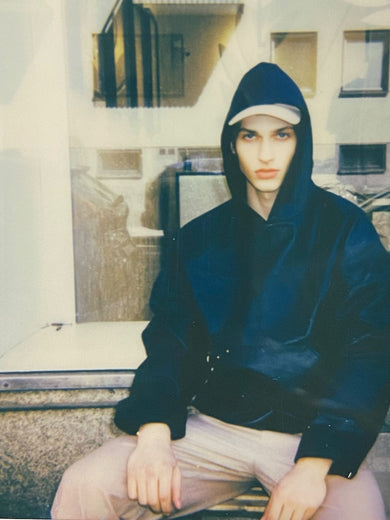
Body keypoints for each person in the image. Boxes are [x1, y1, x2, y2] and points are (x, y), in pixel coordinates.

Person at [51, 62, 390, 520]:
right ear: (232, 146)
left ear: (301, 141)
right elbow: (172, 338)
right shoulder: (199, 238)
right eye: (250, 136)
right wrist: (153, 434)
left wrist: (314, 463)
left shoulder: (346, 229)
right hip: (211, 431)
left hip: (312, 438)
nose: (265, 152)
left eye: (281, 135)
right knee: (86, 485)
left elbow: (369, 350)